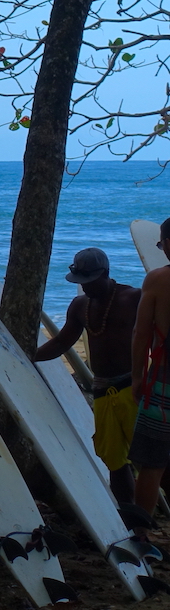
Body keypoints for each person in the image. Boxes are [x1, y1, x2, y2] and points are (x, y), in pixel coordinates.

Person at [34, 247, 141, 503]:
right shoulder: (81, 305)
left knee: (151, 459)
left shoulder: (134, 298)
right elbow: (61, 342)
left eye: (90, 282)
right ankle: (132, 524)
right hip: (103, 391)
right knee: (114, 461)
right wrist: (29, 355)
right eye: (81, 283)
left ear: (105, 273)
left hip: (134, 389)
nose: (86, 288)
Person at [131, 218, 170, 525]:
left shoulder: (157, 280)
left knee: (152, 463)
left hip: (164, 383)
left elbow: (141, 334)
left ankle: (141, 533)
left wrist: (137, 377)